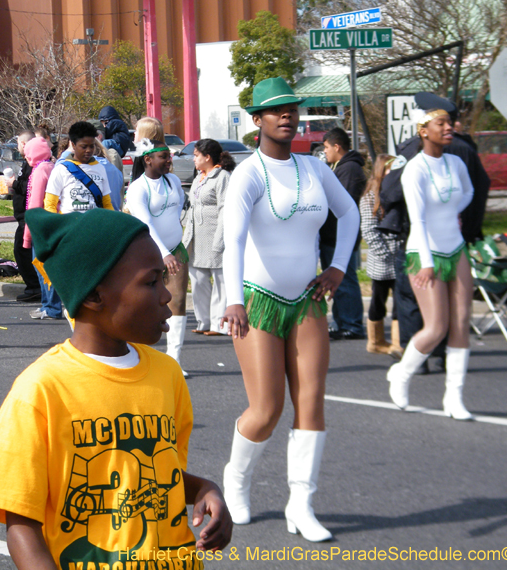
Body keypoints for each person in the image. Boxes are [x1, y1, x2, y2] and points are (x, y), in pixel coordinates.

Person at [0, 207, 232, 570]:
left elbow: (157, 477)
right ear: (93, 296)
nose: (167, 296)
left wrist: (204, 489)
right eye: (151, 282)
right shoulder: (41, 389)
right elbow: (21, 521)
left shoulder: (167, 374)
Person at [221, 77, 359, 541]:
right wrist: (232, 299)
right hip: (257, 300)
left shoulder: (315, 168)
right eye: (276, 110)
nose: (287, 116)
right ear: (256, 120)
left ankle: (301, 504)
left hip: (307, 300)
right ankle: (236, 480)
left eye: (292, 109)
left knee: (311, 403)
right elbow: (233, 242)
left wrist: (338, 267)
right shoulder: (249, 173)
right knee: (266, 409)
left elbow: (351, 213)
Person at [386, 104, 475, 421]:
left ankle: (454, 397)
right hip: (423, 253)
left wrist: (453, 212)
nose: (449, 127)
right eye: (441, 123)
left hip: (456, 248)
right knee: (436, 326)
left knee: (462, 322)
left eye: (450, 123)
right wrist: (425, 263)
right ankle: (401, 374)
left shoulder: (455, 162)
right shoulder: (416, 169)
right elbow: (418, 220)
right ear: (424, 131)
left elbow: (468, 191)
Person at [126, 139, 189, 376]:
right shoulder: (137, 188)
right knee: (144, 303)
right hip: (149, 254)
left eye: (169, 156)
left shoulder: (173, 181)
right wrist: (164, 254)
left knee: (178, 302)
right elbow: (146, 223)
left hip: (176, 250)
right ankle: (139, 357)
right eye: (164, 157)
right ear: (148, 159)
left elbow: (178, 210)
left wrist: (172, 250)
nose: (168, 161)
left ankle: (174, 361)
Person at [182, 138, 235, 336]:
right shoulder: (198, 177)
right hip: (196, 238)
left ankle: (219, 325)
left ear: (207, 157)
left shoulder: (222, 177)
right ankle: (203, 321)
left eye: (196, 156)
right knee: (198, 280)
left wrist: (220, 240)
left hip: (214, 236)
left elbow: (225, 210)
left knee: (220, 282)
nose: (193, 159)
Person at [319, 127, 367, 340]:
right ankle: (341, 321)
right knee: (337, 281)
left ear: (337, 146)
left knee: (344, 278)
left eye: (327, 148)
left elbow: (343, 205)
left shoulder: (349, 169)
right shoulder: (341, 167)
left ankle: (352, 324)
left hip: (340, 236)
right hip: (332, 234)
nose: (325, 152)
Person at [359, 154, 405, 357]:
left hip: (400, 256)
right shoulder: (370, 196)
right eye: (390, 169)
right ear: (381, 171)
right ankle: (376, 341)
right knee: (378, 300)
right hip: (383, 260)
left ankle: (397, 343)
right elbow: (368, 230)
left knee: (400, 300)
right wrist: (385, 254)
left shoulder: (398, 191)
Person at [21, 137, 61, 320]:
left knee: (42, 267)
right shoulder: (51, 166)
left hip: (41, 226)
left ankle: (51, 306)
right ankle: (48, 305)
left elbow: (35, 203)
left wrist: (27, 234)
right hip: (53, 223)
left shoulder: (40, 170)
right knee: (45, 267)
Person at [44, 121, 114, 215]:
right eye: (84, 147)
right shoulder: (60, 170)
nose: (88, 150)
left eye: (92, 146)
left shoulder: (100, 168)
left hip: (94, 225)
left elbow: (107, 203)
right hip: (69, 226)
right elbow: (50, 204)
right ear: (73, 145)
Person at [10, 130, 41, 303]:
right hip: (23, 216)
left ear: (23, 144)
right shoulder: (27, 163)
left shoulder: (34, 164)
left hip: (28, 216)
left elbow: (28, 187)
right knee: (22, 251)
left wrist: (13, 183)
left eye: (18, 144)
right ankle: (34, 286)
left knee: (23, 251)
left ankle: (35, 287)